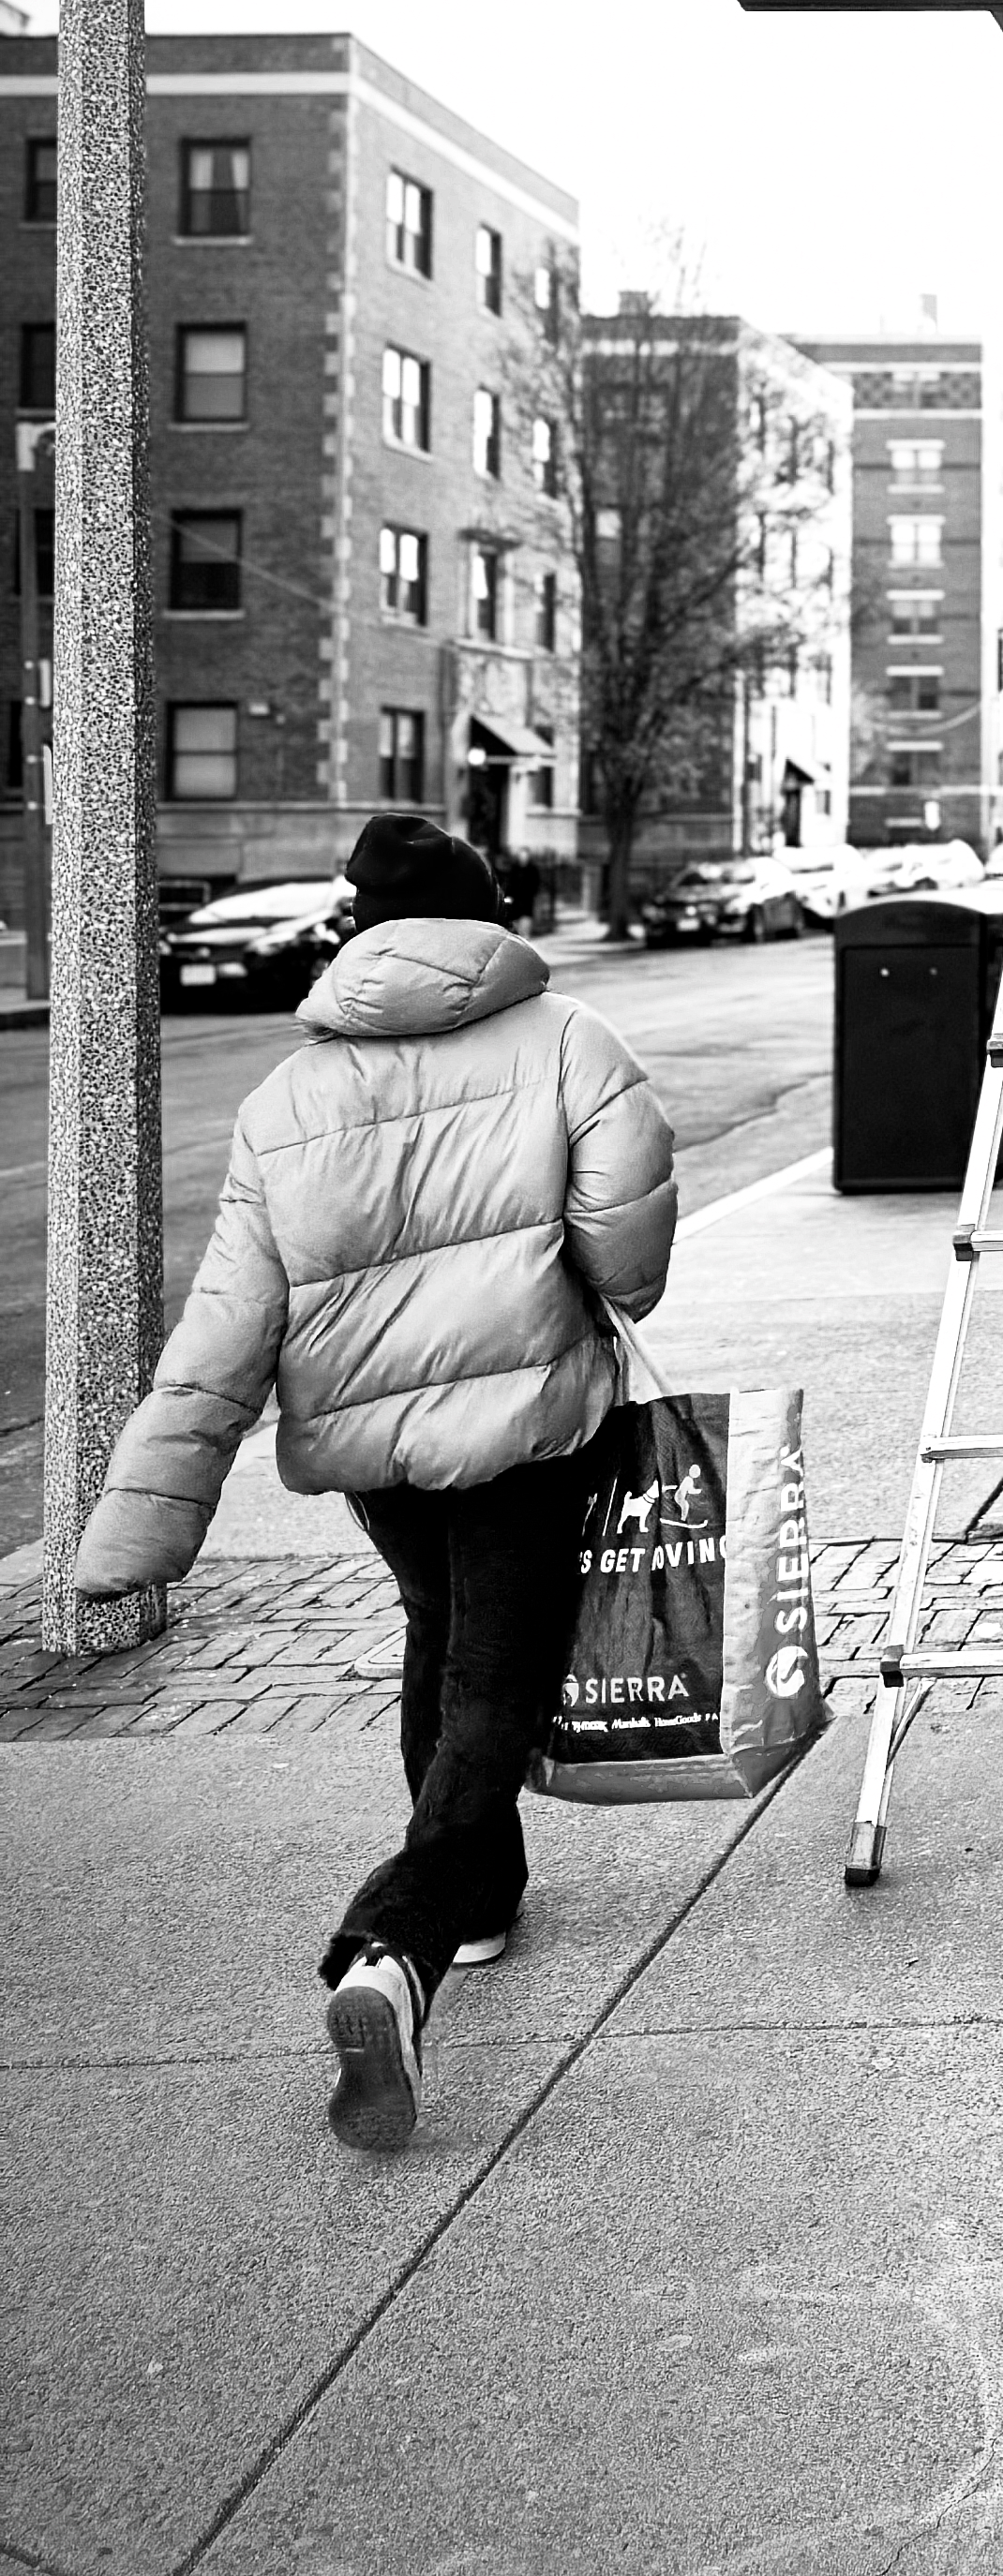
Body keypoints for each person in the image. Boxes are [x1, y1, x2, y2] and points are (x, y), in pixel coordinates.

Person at [76, 813, 676, 2155]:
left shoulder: (289, 1094)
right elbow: (626, 1254)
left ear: (358, 929)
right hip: (529, 1421)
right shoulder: (569, 1038)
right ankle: (391, 1950)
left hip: (372, 1448)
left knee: (440, 1628)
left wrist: (143, 1521)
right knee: (495, 1682)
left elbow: (228, 1320)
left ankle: (484, 1899)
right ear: (486, 916)